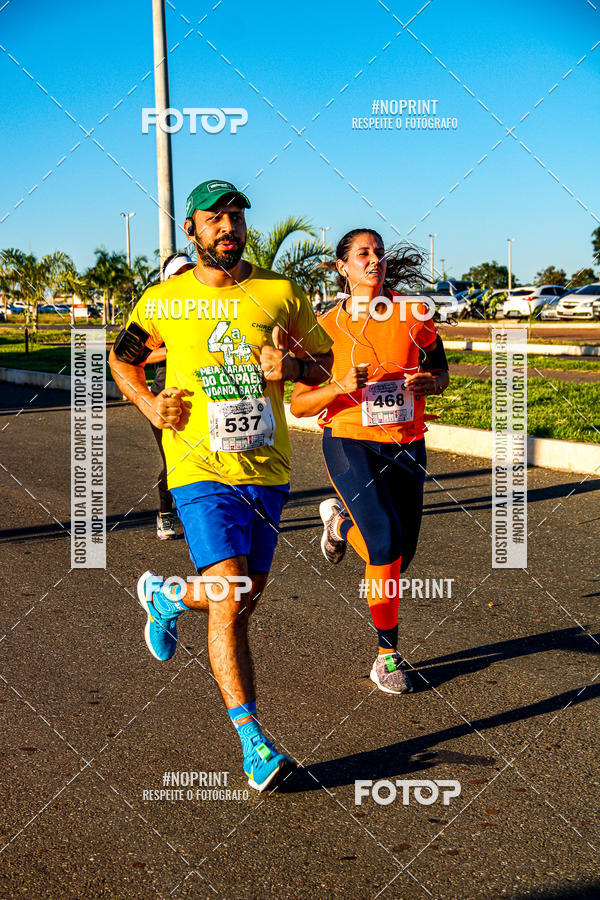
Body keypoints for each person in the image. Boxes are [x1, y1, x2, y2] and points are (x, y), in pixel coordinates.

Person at [109, 179, 333, 792]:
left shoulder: (281, 293)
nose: (227, 228)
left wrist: (289, 366)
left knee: (245, 593)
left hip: (266, 467)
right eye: (214, 219)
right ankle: (253, 743)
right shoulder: (162, 299)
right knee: (233, 595)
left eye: (235, 217)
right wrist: (151, 407)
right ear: (192, 230)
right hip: (198, 467)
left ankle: (168, 596)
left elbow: (324, 362)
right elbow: (122, 358)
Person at [290, 228, 449, 695]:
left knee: (402, 553)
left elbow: (441, 372)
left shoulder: (414, 314)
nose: (373, 259)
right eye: (363, 254)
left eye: (378, 252)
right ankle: (387, 655)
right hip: (348, 439)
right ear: (343, 267)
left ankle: (339, 524)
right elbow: (299, 405)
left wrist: (429, 383)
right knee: (383, 542)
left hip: (405, 440)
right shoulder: (323, 326)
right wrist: (339, 385)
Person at [145, 253, 195, 540]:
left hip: (201, 397)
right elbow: (137, 355)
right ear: (166, 280)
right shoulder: (157, 312)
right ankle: (166, 513)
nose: (185, 276)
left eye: (190, 270)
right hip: (165, 397)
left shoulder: (205, 308)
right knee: (174, 461)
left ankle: (202, 517)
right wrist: (173, 350)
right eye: (179, 273)